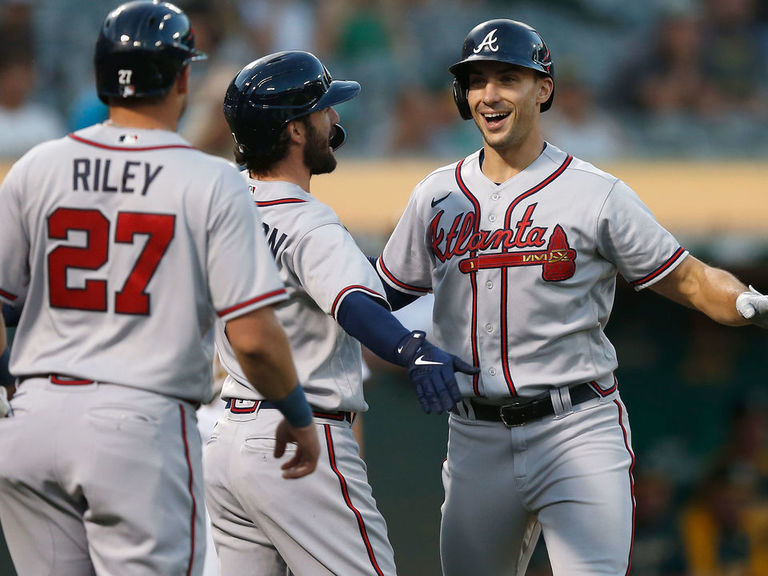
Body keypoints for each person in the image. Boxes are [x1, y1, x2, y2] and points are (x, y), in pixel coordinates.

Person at [372, 18, 768, 575]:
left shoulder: (596, 192)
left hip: (575, 427)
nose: (490, 93)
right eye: (477, 79)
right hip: (474, 436)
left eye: (508, 77)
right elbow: (378, 293)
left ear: (543, 89)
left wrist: (751, 302)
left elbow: (691, 279)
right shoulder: (436, 194)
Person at [0, 2, 320, 575]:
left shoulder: (35, 167)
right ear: (183, 77)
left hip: (31, 421)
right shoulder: (212, 179)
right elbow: (251, 337)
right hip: (137, 423)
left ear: (100, 74)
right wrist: (297, 414)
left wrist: (15, 395)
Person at [204, 50, 476, 576]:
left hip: (228, 437)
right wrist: (412, 350)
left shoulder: (224, 199)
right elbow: (355, 304)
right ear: (296, 131)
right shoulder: (312, 226)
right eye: (323, 111)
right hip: (299, 436)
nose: (334, 120)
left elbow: (344, 285)